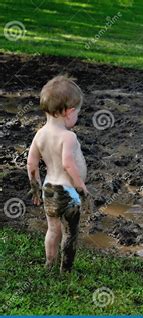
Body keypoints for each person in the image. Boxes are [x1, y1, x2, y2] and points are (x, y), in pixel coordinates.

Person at [27, 75, 89, 272]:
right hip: (68, 192)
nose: (77, 117)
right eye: (77, 113)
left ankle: (49, 263)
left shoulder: (40, 134)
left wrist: (35, 189)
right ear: (69, 112)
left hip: (49, 190)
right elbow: (68, 164)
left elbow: (31, 164)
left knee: (52, 230)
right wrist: (81, 187)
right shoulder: (68, 137)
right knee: (70, 232)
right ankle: (66, 269)